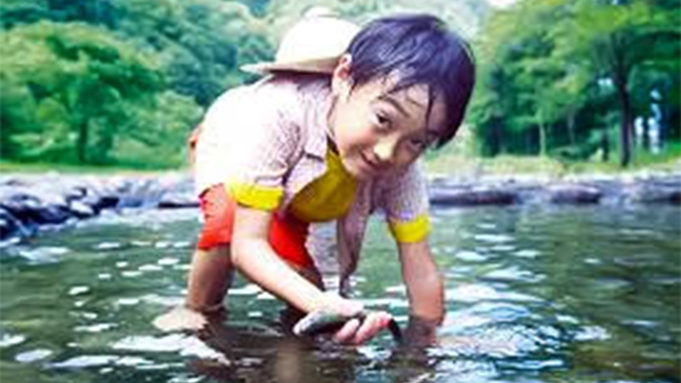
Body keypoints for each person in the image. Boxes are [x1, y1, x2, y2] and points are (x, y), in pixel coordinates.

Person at [155, 10, 475, 346]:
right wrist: (321, 305)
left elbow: (419, 264)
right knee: (227, 222)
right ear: (343, 77)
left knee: (307, 284)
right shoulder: (281, 112)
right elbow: (247, 245)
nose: (387, 152)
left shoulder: (400, 164)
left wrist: (427, 341)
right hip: (230, 149)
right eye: (383, 119)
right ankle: (197, 310)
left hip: (299, 191)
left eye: (417, 142)